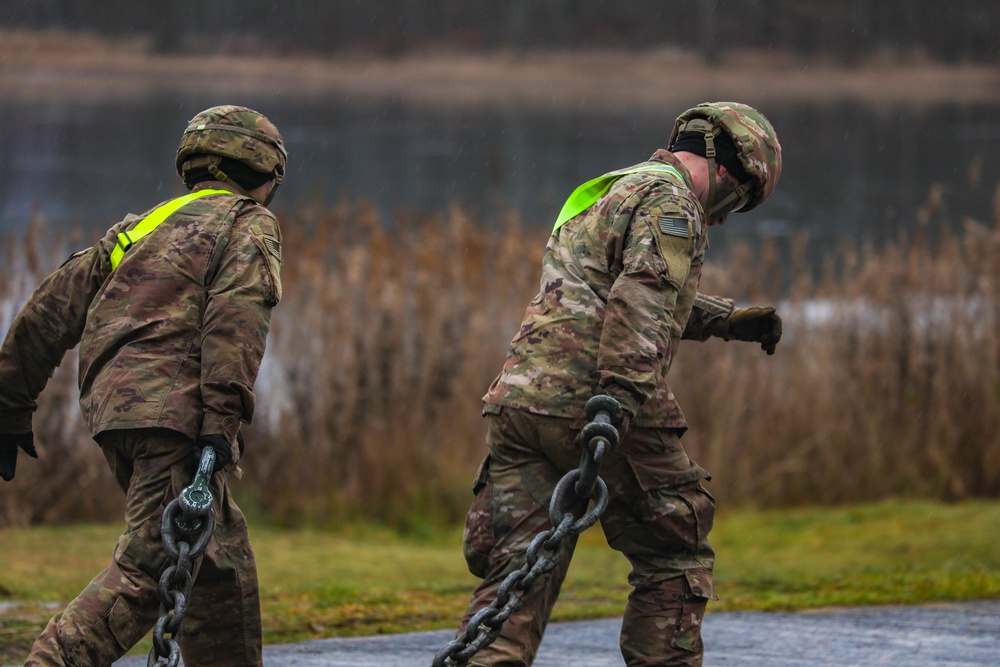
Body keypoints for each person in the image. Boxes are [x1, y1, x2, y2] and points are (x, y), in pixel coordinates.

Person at [456, 102, 783, 666]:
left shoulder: (610, 192)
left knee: (519, 573)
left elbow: (606, 288)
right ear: (727, 167)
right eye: (739, 200)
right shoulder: (673, 202)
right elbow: (642, 298)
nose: (727, 217)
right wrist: (618, 403)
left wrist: (726, 320)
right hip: (595, 402)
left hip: (520, 401)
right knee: (674, 553)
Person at [0, 105, 287, 667]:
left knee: (222, 573)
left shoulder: (144, 225)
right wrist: (219, 428)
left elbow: (48, 310)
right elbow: (236, 323)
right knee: (151, 569)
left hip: (117, 415)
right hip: (177, 418)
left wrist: (9, 401)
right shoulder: (248, 223)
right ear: (265, 170)